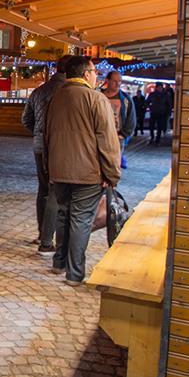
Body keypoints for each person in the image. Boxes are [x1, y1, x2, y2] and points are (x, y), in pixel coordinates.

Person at [46, 56, 121, 286]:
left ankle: (59, 263)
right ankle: (75, 273)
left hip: (59, 170)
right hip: (87, 172)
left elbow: (46, 134)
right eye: (95, 71)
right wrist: (112, 174)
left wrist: (49, 167)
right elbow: (107, 140)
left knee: (64, 214)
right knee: (80, 219)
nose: (97, 74)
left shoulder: (56, 97)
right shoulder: (95, 98)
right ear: (86, 73)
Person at [21, 55, 71, 255]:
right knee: (55, 192)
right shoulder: (68, 92)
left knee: (43, 189)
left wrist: (39, 134)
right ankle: (48, 240)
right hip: (59, 147)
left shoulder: (39, 90)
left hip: (39, 146)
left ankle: (42, 232)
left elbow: (26, 120)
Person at [102, 71, 136, 169]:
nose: (118, 84)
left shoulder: (125, 99)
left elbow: (131, 118)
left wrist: (123, 135)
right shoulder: (98, 95)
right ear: (107, 81)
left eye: (120, 81)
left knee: (113, 165)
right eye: (115, 81)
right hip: (99, 136)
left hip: (117, 137)